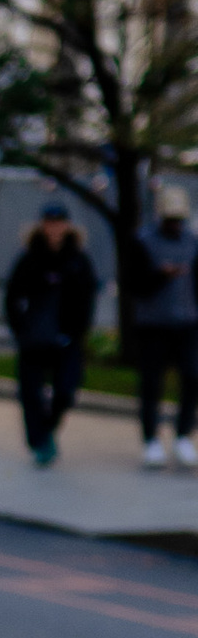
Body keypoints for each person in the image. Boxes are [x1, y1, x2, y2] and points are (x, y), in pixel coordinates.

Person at [4, 201, 98, 467]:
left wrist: (78, 332)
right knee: (31, 393)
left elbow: (87, 298)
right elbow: (12, 296)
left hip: (66, 338)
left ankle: (47, 428)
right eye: (49, 222)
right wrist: (20, 328)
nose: (54, 228)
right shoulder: (29, 258)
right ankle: (40, 441)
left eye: (58, 223)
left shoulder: (78, 260)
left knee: (65, 392)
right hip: (34, 337)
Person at [125, 179, 198, 469]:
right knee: (152, 383)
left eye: (179, 220)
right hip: (153, 323)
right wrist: (160, 276)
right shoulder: (143, 241)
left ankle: (183, 435)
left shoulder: (191, 242)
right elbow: (135, 284)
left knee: (192, 378)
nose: (175, 226)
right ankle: (151, 438)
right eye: (171, 220)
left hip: (188, 321)